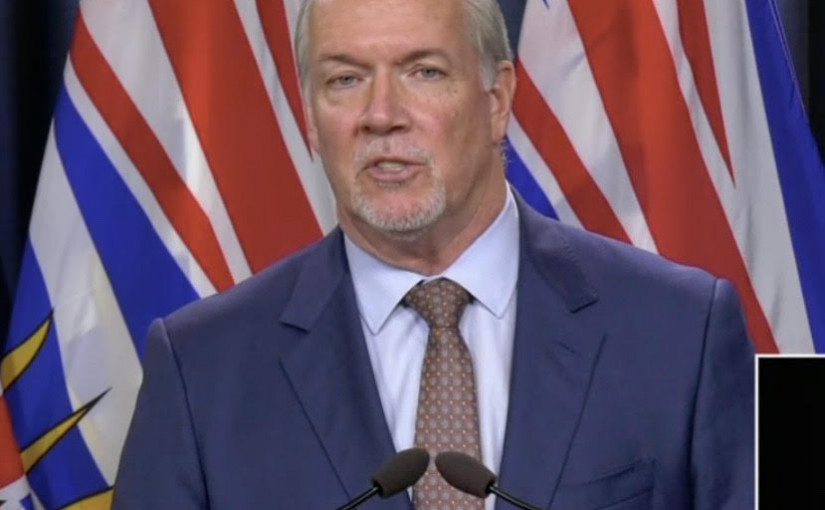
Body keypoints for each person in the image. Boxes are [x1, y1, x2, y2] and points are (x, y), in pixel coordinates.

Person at [112, 0, 754, 508]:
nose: (381, 114)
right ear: (311, 119)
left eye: (423, 72)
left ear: (497, 100)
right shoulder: (202, 369)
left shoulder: (681, 331)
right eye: (345, 79)